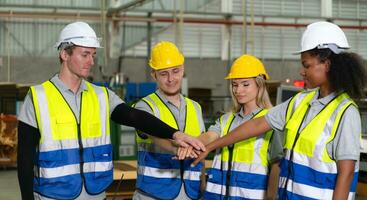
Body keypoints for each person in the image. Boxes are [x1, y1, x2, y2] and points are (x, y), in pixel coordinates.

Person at [17, 22, 205, 200]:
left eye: (93, 55)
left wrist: (174, 133)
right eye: (85, 55)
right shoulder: (38, 97)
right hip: (52, 195)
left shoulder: (101, 96)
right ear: (65, 54)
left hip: (95, 194)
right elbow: (24, 160)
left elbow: (135, 117)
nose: (91, 61)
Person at [192, 21, 366, 200]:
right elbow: (258, 124)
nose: (302, 72)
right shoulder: (300, 101)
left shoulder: (345, 112)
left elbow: (346, 174)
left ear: (327, 65)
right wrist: (210, 146)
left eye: (307, 66)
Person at [177, 54, 283, 199]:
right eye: (235, 84)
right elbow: (209, 136)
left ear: (260, 85)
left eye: (245, 84)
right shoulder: (226, 120)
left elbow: (277, 166)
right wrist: (191, 143)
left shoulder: (270, 122)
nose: (238, 90)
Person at [132, 41, 206, 200]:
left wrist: (203, 187)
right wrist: (176, 149)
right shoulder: (144, 107)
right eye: (164, 73)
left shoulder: (195, 108)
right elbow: (154, 135)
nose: (171, 79)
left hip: (190, 193)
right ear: (154, 74)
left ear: (183, 70)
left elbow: (201, 150)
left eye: (175, 71)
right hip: (153, 193)